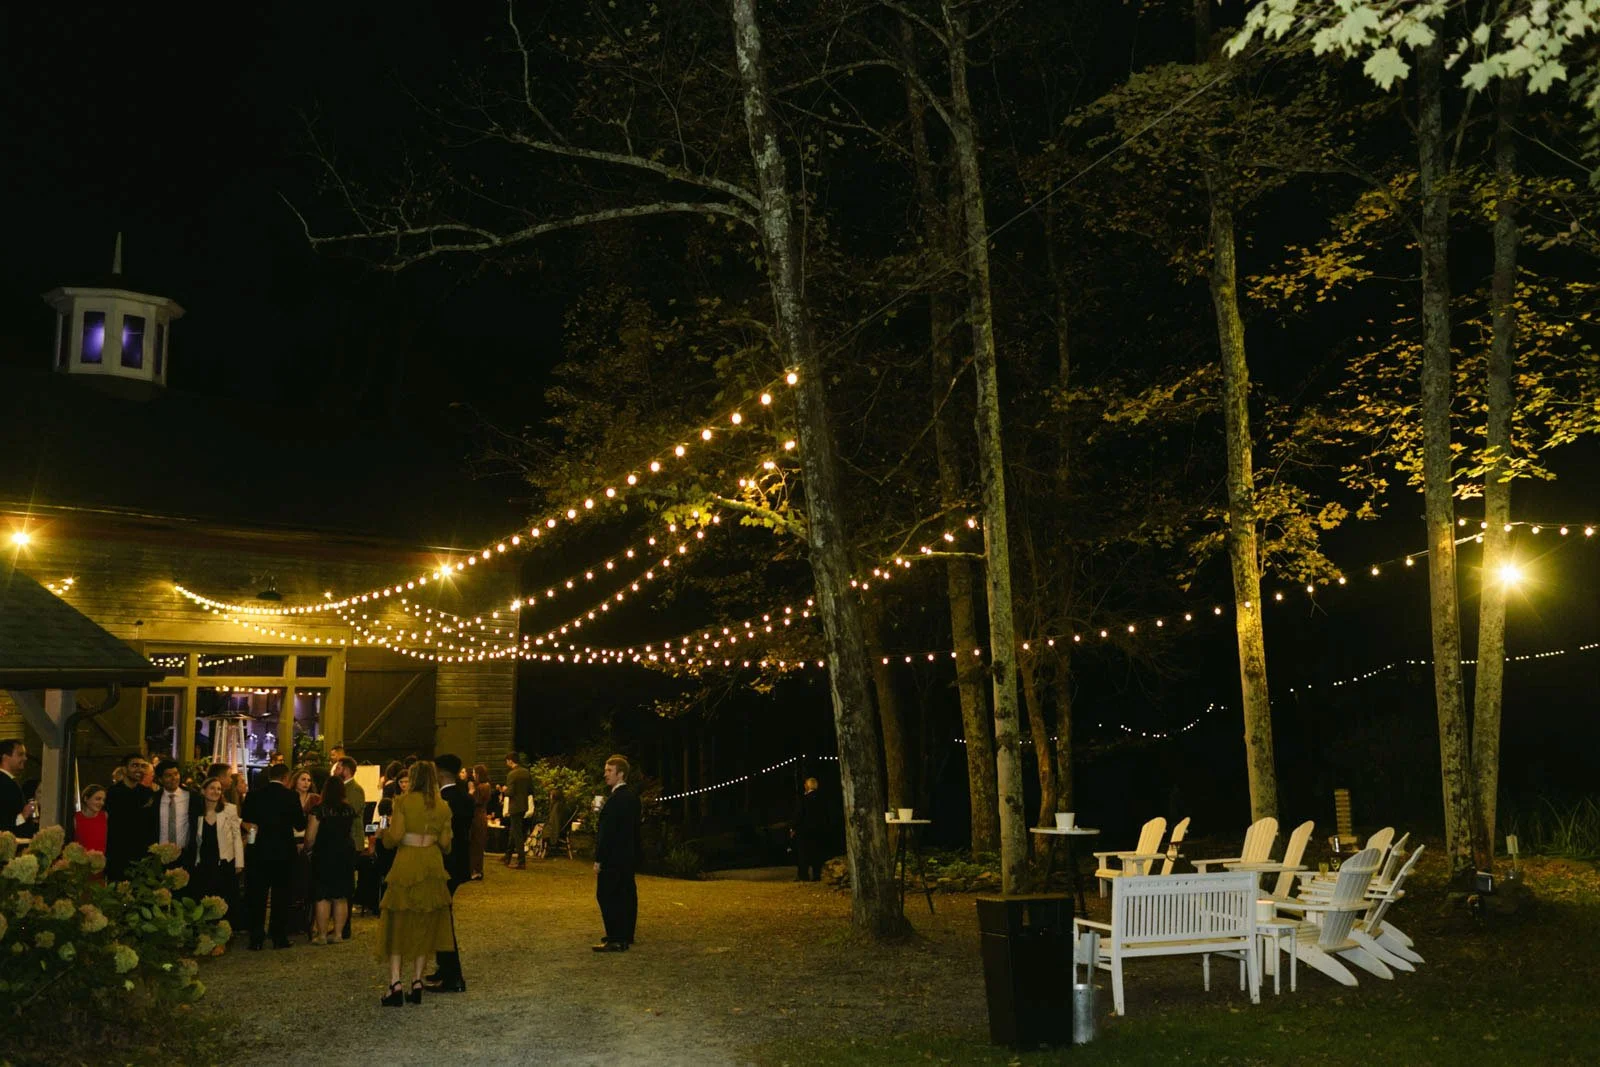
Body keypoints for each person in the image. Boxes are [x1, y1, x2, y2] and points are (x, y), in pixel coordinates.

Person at [376, 760, 454, 1007]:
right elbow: (446, 844)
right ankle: (417, 981)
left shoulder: (403, 802)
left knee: (398, 922)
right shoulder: (443, 806)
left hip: (407, 862)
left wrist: (384, 837)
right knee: (425, 923)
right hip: (431, 863)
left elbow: (395, 837)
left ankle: (395, 983)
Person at [240, 761, 307, 949]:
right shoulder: (291, 796)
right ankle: (278, 936)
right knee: (281, 895)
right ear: (286, 778)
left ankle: (256, 938)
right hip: (283, 852)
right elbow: (300, 825)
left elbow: (246, 821)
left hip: (258, 850)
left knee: (257, 895)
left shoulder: (253, 796)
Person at [425, 754, 473, 993]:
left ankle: (453, 976)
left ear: (441, 773)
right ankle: (444, 967)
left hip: (444, 862)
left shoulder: (442, 799)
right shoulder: (464, 797)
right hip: (459, 862)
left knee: (442, 919)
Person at [593, 754, 640, 953]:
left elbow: (607, 832)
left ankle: (616, 937)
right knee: (626, 893)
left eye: (609, 771)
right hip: (627, 854)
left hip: (613, 856)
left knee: (607, 894)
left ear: (620, 774)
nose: (605, 775)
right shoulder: (632, 797)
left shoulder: (615, 800)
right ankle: (625, 934)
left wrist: (599, 858)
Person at [305, 774, 356, 945]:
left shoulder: (319, 810)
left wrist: (307, 849)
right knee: (341, 895)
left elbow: (310, 837)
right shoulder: (349, 810)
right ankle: (339, 934)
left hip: (324, 853)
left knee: (323, 895)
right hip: (344, 854)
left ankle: (321, 935)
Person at [190, 777, 245, 918]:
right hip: (203, 862)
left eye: (219, 789)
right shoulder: (196, 812)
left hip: (224, 861)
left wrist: (239, 863)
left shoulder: (229, 809)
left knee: (224, 898)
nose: (216, 791)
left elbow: (236, 837)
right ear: (203, 791)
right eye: (212, 788)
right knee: (204, 898)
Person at [105, 755, 160, 879]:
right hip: (117, 855)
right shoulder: (112, 793)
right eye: (135, 765)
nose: (139, 770)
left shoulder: (148, 794)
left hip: (142, 857)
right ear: (124, 769)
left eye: (142, 766)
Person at [331, 756, 367, 938]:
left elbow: (350, 814)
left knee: (346, 883)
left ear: (345, 769)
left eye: (337, 767)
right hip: (343, 841)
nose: (334, 770)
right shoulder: (343, 789)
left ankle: (345, 926)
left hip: (351, 841)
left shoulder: (354, 790)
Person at [154, 758, 202, 872]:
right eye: (168, 775)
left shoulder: (192, 797)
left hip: (185, 855)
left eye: (176, 774)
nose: (173, 778)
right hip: (160, 855)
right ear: (160, 779)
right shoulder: (154, 799)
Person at [792, 776, 826, 882]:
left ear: (808, 786)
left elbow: (799, 815)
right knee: (816, 853)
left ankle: (803, 876)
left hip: (804, 830)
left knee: (803, 853)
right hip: (818, 830)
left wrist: (793, 827)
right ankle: (816, 875)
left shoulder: (804, 799)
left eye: (805, 784)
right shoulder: (822, 799)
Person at [503, 753, 532, 869]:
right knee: (514, 831)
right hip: (523, 805)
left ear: (510, 761)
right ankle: (507, 856)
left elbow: (510, 792)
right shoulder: (526, 772)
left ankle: (521, 861)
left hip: (515, 806)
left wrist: (504, 790)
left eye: (507, 761)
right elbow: (530, 789)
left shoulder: (512, 774)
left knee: (517, 833)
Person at [469, 763, 494, 880]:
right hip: (481, 815)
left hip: (477, 816)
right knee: (478, 844)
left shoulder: (481, 787)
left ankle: (476, 870)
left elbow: (475, 801)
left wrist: (471, 791)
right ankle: (477, 869)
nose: (473, 775)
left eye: (474, 772)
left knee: (476, 844)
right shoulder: (486, 786)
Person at [0, 739, 27, 831]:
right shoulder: (4, 783)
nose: (25, 758)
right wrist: (23, 816)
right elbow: (3, 820)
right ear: (5, 757)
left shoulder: (9, 781)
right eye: (20, 754)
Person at [75, 784, 109, 854]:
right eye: (98, 799)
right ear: (86, 798)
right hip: (80, 862)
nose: (102, 803)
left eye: (103, 800)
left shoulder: (105, 816)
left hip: (101, 862)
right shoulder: (76, 818)